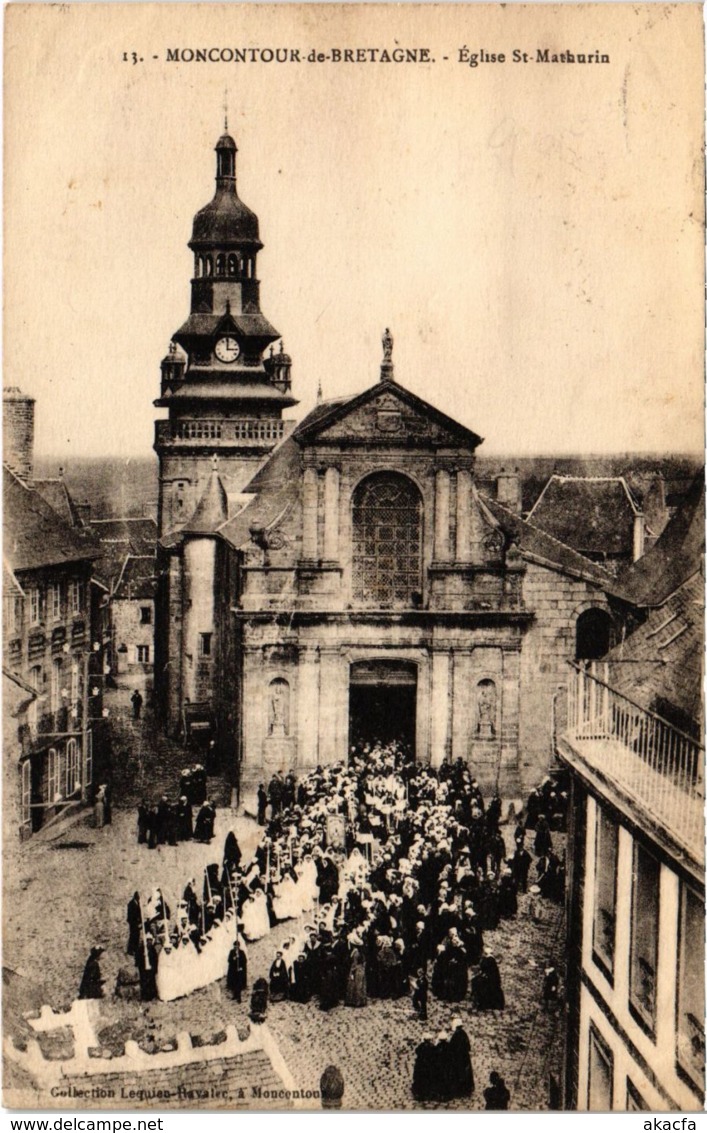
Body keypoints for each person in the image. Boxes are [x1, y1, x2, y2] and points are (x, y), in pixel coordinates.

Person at [448, 1017, 474, 1097]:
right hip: (465, 1058)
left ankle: (459, 1089)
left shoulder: (456, 1035)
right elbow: (468, 1046)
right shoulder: (464, 1033)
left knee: (458, 1073)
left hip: (458, 1058)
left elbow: (451, 1047)